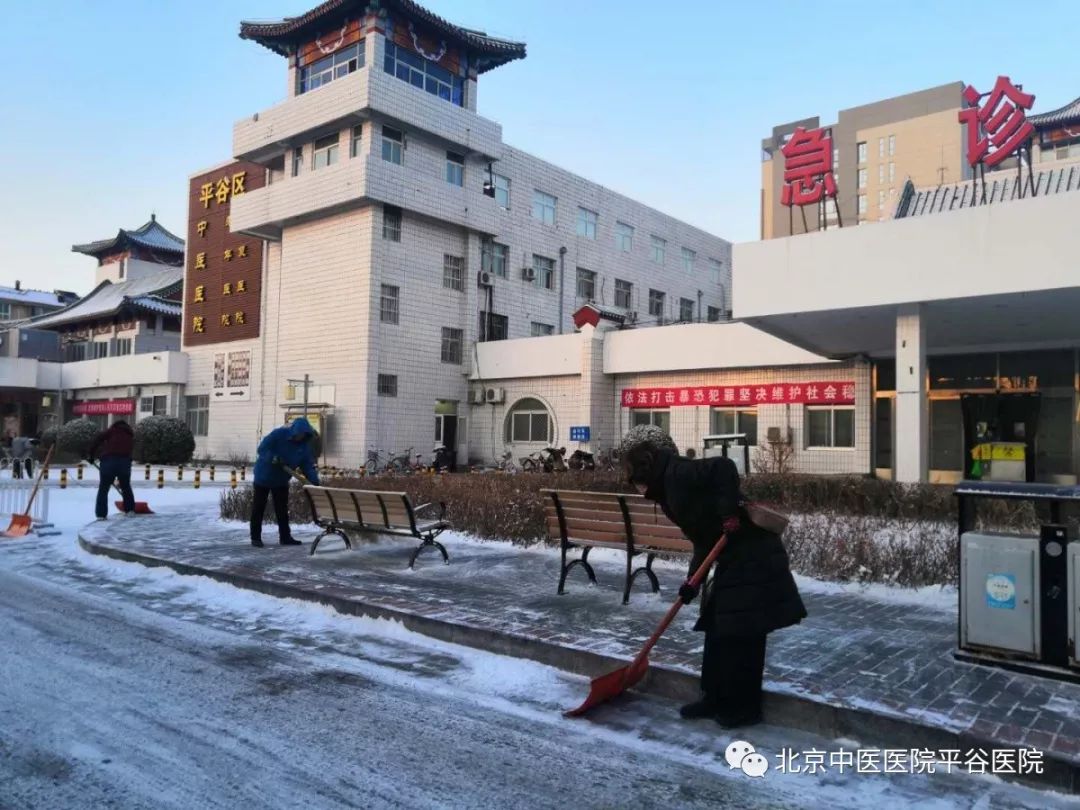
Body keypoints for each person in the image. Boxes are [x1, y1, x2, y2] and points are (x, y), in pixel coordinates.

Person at [623, 443, 806, 728]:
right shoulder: (668, 494)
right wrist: (691, 581)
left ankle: (745, 709)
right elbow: (703, 539)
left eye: (636, 480)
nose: (638, 488)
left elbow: (724, 467)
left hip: (755, 552)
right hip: (734, 556)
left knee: (744, 630)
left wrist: (728, 514)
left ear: (646, 472)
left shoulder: (679, 473)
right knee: (716, 626)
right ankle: (714, 698)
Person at [251, 417, 320, 548]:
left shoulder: (304, 448)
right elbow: (262, 449)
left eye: (303, 435)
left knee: (282, 510)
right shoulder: (278, 434)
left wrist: (314, 481)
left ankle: (285, 537)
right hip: (263, 477)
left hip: (281, 480)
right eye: (299, 434)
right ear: (294, 431)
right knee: (258, 507)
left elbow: (308, 466)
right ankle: (255, 537)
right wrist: (273, 457)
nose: (300, 437)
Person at [88, 421, 136, 519]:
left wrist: (91, 455)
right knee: (126, 487)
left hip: (108, 462)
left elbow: (97, 439)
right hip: (124, 462)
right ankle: (130, 510)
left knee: (103, 488)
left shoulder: (111, 431)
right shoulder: (130, 434)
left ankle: (101, 515)